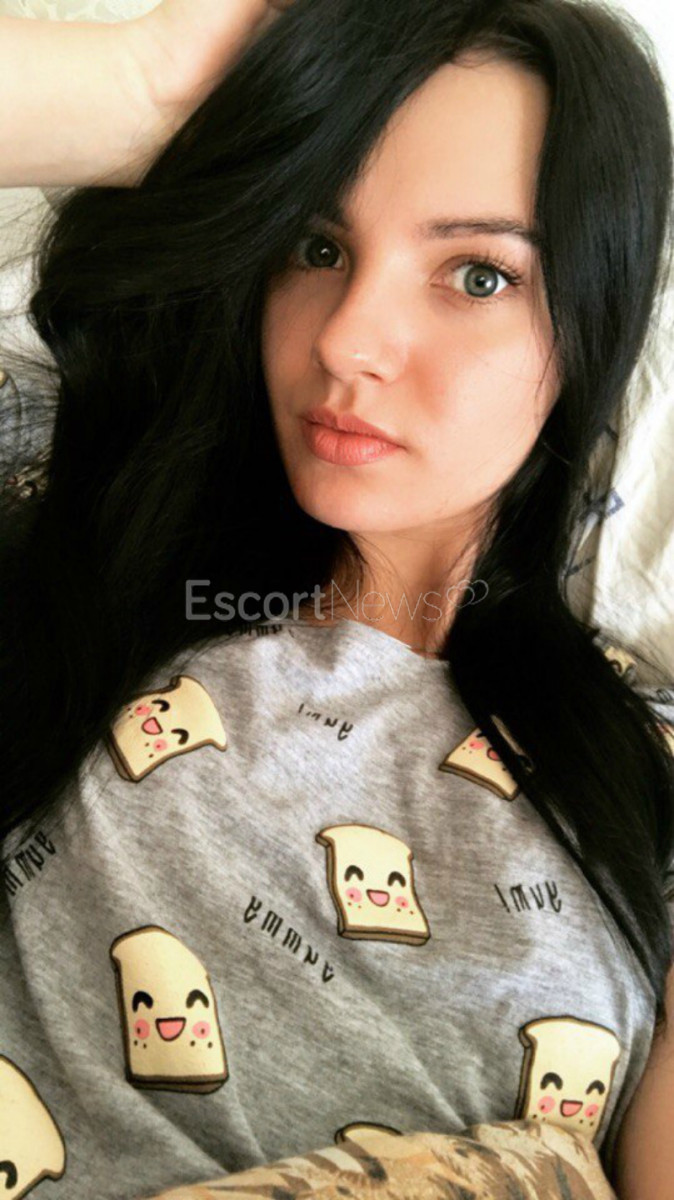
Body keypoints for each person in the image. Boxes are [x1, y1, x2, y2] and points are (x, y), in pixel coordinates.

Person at [0, 0, 673, 1198]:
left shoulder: (644, 784)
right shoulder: (75, 562)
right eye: (314, 248)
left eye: (475, 275)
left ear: (591, 323)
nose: (347, 340)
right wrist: (139, 92)